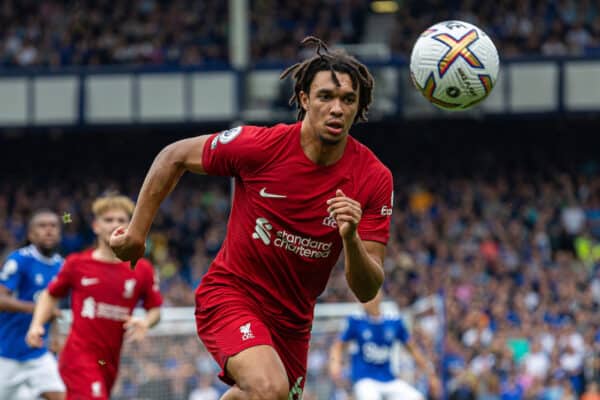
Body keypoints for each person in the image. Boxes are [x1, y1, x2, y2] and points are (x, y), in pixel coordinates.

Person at [110, 36, 395, 400]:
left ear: (359, 107)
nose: (336, 108)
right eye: (325, 97)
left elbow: (367, 288)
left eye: (347, 99)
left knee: (258, 396)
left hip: (293, 321)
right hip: (231, 295)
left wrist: (350, 237)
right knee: (268, 388)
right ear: (305, 99)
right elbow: (173, 155)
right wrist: (137, 233)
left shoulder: (374, 177)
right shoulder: (262, 147)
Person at [26, 195, 163, 400]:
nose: (115, 225)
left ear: (130, 227)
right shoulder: (77, 264)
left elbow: (155, 310)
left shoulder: (141, 269)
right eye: (108, 220)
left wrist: (146, 322)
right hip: (78, 356)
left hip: (109, 361)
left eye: (121, 220)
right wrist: (36, 324)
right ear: (96, 226)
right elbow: (49, 295)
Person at [0, 209, 66, 400]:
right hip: (7, 353)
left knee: (60, 395)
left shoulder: (61, 266)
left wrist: (55, 334)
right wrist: (37, 309)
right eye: (42, 226)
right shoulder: (19, 260)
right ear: (31, 234)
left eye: (53, 226)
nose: (49, 230)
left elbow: (53, 308)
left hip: (38, 355)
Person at [329, 290, 441, 400]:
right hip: (364, 380)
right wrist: (335, 363)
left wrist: (431, 375)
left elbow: (413, 349)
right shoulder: (355, 320)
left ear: (379, 295)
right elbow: (338, 345)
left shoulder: (394, 321)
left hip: (389, 379)